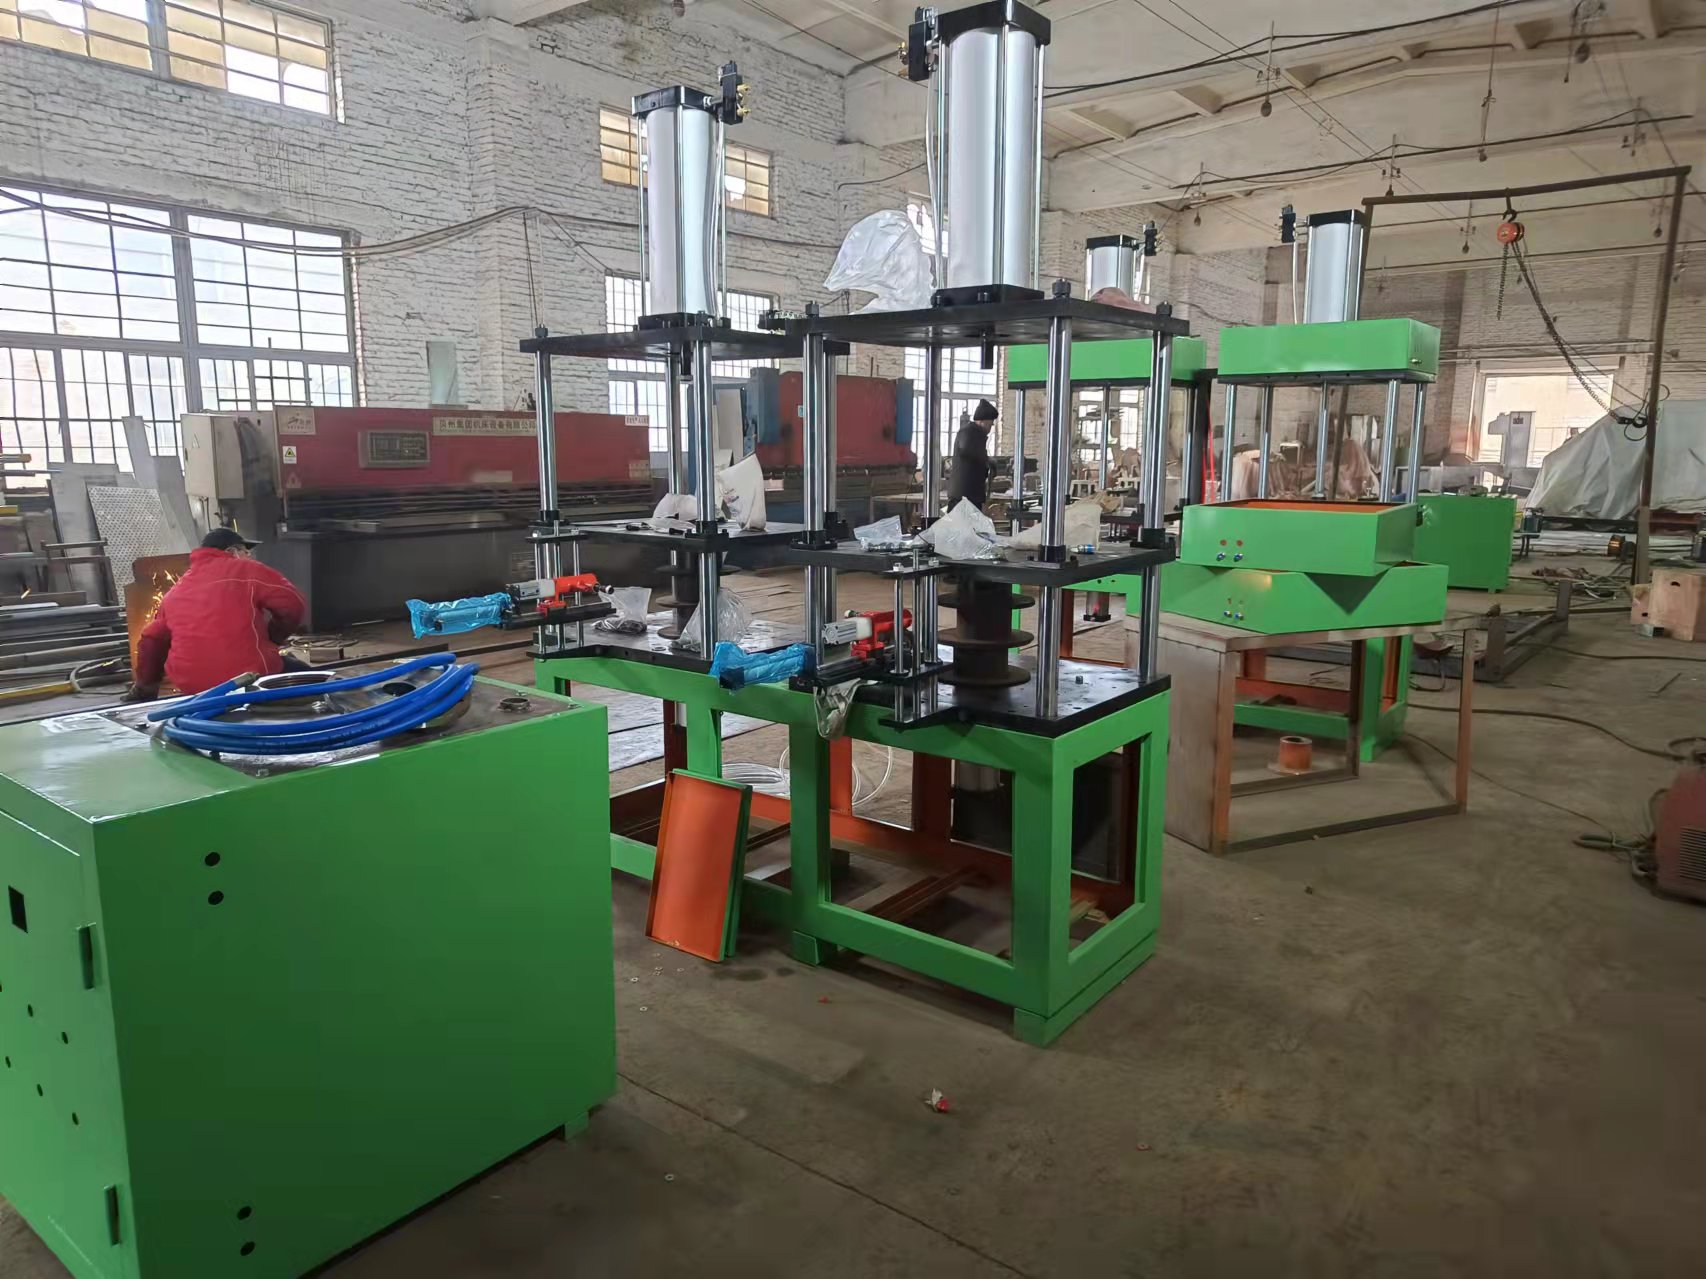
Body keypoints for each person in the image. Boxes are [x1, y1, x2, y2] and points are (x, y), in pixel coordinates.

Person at [125, 528, 308, 702]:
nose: (249, 556)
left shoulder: (176, 590)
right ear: (232, 552)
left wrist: (146, 685)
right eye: (246, 552)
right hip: (248, 676)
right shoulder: (246, 569)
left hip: (193, 687)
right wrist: (275, 637)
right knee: (310, 678)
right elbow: (293, 604)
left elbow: (151, 640)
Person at [945, 397, 998, 510]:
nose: (991, 427)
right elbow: (965, 449)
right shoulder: (968, 431)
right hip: (964, 497)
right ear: (983, 421)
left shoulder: (976, 434)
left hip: (970, 496)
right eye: (990, 424)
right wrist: (986, 460)